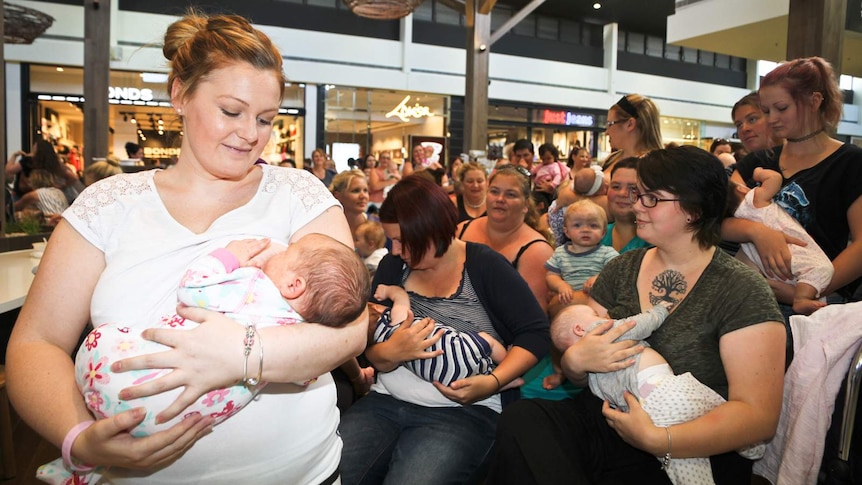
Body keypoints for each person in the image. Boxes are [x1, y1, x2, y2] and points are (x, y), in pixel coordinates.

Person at [7, 12, 367, 485]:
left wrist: (243, 355)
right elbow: (37, 342)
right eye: (231, 111)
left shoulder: (299, 194)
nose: (249, 134)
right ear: (180, 94)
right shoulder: (108, 205)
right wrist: (79, 436)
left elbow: (351, 328)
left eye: (265, 119)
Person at [487, 145, 786, 485]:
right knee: (523, 419)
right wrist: (574, 363)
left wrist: (660, 440)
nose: (636, 205)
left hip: (693, 442)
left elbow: (758, 417)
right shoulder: (623, 267)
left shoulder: (740, 289)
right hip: (607, 420)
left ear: (693, 209)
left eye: (651, 198)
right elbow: (586, 362)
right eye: (638, 195)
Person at [39, 233, 370, 483]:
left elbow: (193, 289)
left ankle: (83, 462)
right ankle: (87, 465)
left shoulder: (253, 286)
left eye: (289, 252)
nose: (279, 250)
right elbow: (305, 374)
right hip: (168, 424)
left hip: (122, 384)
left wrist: (227, 258)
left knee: (106, 334)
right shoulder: (303, 336)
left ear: (294, 284)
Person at [339, 175, 549, 485]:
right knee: (334, 473)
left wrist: (493, 382)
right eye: (391, 240)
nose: (395, 250)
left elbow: (536, 334)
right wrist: (388, 353)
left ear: (432, 231)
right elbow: (370, 344)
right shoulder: (393, 268)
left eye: (402, 241)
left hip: (463, 412)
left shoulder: (486, 266)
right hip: (386, 400)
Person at [550, 303, 765, 485]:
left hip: (644, 412)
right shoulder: (601, 332)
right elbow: (636, 325)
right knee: (715, 409)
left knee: (683, 463)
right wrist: (659, 311)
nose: (603, 317)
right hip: (666, 390)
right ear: (579, 329)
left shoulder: (594, 378)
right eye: (595, 315)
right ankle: (747, 444)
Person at [726, 56, 862, 307]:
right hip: (747, 293)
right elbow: (717, 221)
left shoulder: (850, 163)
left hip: (816, 300)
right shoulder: (755, 163)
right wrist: (757, 231)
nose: (772, 118)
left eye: (782, 108)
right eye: (766, 111)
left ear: (814, 101)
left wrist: (809, 289)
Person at [727, 167, 833, 315]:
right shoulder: (754, 199)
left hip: (770, 269)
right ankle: (801, 299)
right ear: (741, 189)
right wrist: (759, 172)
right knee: (822, 268)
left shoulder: (735, 220)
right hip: (792, 250)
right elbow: (774, 178)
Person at [458, 164, 553, 312]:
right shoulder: (461, 230)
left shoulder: (537, 251)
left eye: (511, 194)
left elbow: (531, 318)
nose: (500, 199)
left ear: (526, 204)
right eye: (494, 192)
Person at [371, 284, 508, 386]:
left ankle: (505, 382)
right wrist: (388, 290)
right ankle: (508, 370)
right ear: (376, 308)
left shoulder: (379, 342)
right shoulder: (397, 321)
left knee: (481, 375)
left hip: (447, 379)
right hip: (460, 349)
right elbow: (401, 297)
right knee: (487, 340)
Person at [545, 199, 619, 310]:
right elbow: (551, 275)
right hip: (568, 304)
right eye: (577, 225)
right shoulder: (560, 253)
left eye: (593, 226)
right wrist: (560, 285)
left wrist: (599, 279)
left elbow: (617, 272)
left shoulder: (607, 253)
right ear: (567, 231)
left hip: (598, 305)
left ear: (603, 232)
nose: (585, 230)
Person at [530, 143, 569, 214]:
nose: (546, 161)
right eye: (543, 159)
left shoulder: (555, 166)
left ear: (554, 156)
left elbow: (558, 176)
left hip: (550, 188)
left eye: (549, 158)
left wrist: (553, 184)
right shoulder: (541, 165)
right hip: (538, 187)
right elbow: (533, 170)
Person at [330, 169, 370, 235]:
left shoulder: (378, 225)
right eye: (356, 191)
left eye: (365, 190)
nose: (363, 196)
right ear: (337, 195)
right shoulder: (328, 227)